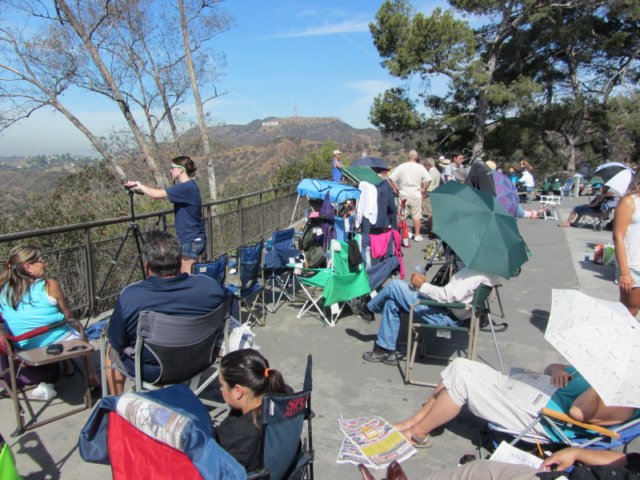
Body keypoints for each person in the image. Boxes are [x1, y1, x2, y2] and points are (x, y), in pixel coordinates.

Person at [393, 358, 637, 447]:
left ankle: (417, 432)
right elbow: (553, 366)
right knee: (460, 364)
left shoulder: (626, 397)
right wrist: (558, 371)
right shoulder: (607, 370)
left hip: (539, 418)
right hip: (533, 391)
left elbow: (579, 412)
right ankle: (417, 420)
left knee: (464, 382)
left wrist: (603, 380)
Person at [105, 231, 225, 395]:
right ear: (179, 261)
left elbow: (118, 342)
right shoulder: (211, 288)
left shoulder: (131, 297)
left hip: (155, 372)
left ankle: (117, 404)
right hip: (201, 361)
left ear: (147, 266)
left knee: (110, 348)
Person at [0, 245, 99, 385]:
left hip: (23, 347)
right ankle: (91, 374)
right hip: (56, 341)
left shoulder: (4, 290)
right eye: (41, 261)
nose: (45, 264)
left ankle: (68, 365)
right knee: (76, 327)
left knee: (58, 328)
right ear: (28, 267)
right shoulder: (49, 285)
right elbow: (68, 315)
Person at [362, 268, 497, 365]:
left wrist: (423, 285)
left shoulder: (474, 274)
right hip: (449, 311)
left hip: (445, 316)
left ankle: (368, 308)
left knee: (395, 286)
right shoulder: (487, 273)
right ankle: (386, 349)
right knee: (392, 302)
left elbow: (448, 296)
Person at [126, 155, 205, 274]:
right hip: (193, 238)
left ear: (181, 170)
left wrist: (139, 185)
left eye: (172, 167)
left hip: (190, 239)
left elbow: (156, 195)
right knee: (189, 276)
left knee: (187, 278)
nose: (170, 170)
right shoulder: (190, 186)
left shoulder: (186, 187)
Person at [215, 348, 288, 471]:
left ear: (238, 391)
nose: (221, 389)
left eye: (222, 385)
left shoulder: (237, 432)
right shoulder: (283, 398)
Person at [359, 448, 640, 480]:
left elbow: (579, 410)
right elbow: (627, 459)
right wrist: (576, 451)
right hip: (568, 474)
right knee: (480, 469)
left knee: (459, 379)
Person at [389, 150, 431, 242]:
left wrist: (396, 189)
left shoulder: (401, 166)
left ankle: (401, 234)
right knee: (416, 215)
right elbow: (428, 179)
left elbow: (391, 178)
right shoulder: (420, 167)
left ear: (408, 156)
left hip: (403, 193)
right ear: (416, 157)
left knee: (402, 215)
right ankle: (417, 235)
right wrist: (424, 189)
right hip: (416, 194)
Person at [613, 173, 640, 315]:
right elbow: (618, 237)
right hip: (633, 266)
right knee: (630, 309)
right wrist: (624, 272)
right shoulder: (629, 201)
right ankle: (617, 337)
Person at [421, 157, 440, 226]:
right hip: (434, 195)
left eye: (425, 165)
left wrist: (422, 197)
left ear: (428, 165)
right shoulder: (436, 171)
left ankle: (430, 230)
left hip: (429, 196)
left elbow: (429, 189)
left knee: (429, 215)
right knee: (431, 214)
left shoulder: (431, 174)